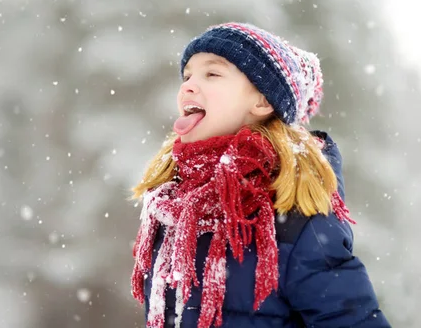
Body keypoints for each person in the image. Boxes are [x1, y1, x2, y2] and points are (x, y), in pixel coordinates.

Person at [130, 22, 391, 328]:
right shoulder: (175, 207)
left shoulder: (293, 215)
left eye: (212, 73)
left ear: (263, 101)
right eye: (187, 75)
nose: (187, 85)